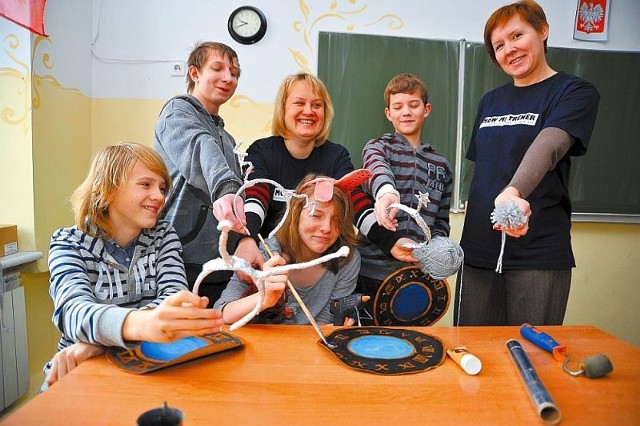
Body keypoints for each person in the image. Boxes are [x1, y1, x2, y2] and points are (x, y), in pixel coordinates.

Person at [454, 0, 600, 326]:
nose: (510, 49)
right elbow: (484, 170)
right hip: (478, 250)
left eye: (517, 35)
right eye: (499, 45)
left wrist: (514, 191)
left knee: (530, 357)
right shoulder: (489, 102)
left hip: (538, 252)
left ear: (543, 30)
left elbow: (550, 144)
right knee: (472, 356)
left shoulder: (573, 91)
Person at [43, 143, 224, 389]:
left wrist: (100, 340)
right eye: (145, 184)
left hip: (146, 368)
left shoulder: (164, 235)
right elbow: (72, 312)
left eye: (162, 187)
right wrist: (139, 326)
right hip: (80, 372)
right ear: (107, 190)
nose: (160, 197)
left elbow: (173, 299)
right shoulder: (67, 242)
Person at [234, 71, 415, 277]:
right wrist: (245, 240)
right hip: (269, 267)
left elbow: (356, 204)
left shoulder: (336, 156)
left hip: (318, 273)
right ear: (283, 109)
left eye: (317, 105)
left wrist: (392, 242)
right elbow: (255, 200)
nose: (308, 111)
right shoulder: (261, 152)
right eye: (299, 103)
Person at [155, 41, 247, 306]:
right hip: (178, 260)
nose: (228, 78)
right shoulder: (177, 112)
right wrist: (226, 189)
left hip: (220, 262)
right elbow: (200, 145)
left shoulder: (227, 139)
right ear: (195, 73)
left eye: (234, 73)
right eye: (217, 68)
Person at [358, 73, 453, 322]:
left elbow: (442, 220)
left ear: (426, 109)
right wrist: (387, 191)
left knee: (409, 344)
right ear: (388, 113)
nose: (406, 112)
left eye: (413, 105)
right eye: (398, 107)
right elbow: (376, 170)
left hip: (416, 276)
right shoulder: (377, 147)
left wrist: (436, 254)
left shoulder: (441, 164)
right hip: (370, 272)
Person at [214, 174, 360, 326]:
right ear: (296, 214)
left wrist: (335, 328)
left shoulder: (346, 258)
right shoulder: (265, 254)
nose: (326, 228)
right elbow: (221, 314)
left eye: (337, 220)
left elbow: (324, 323)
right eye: (316, 215)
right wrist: (263, 298)